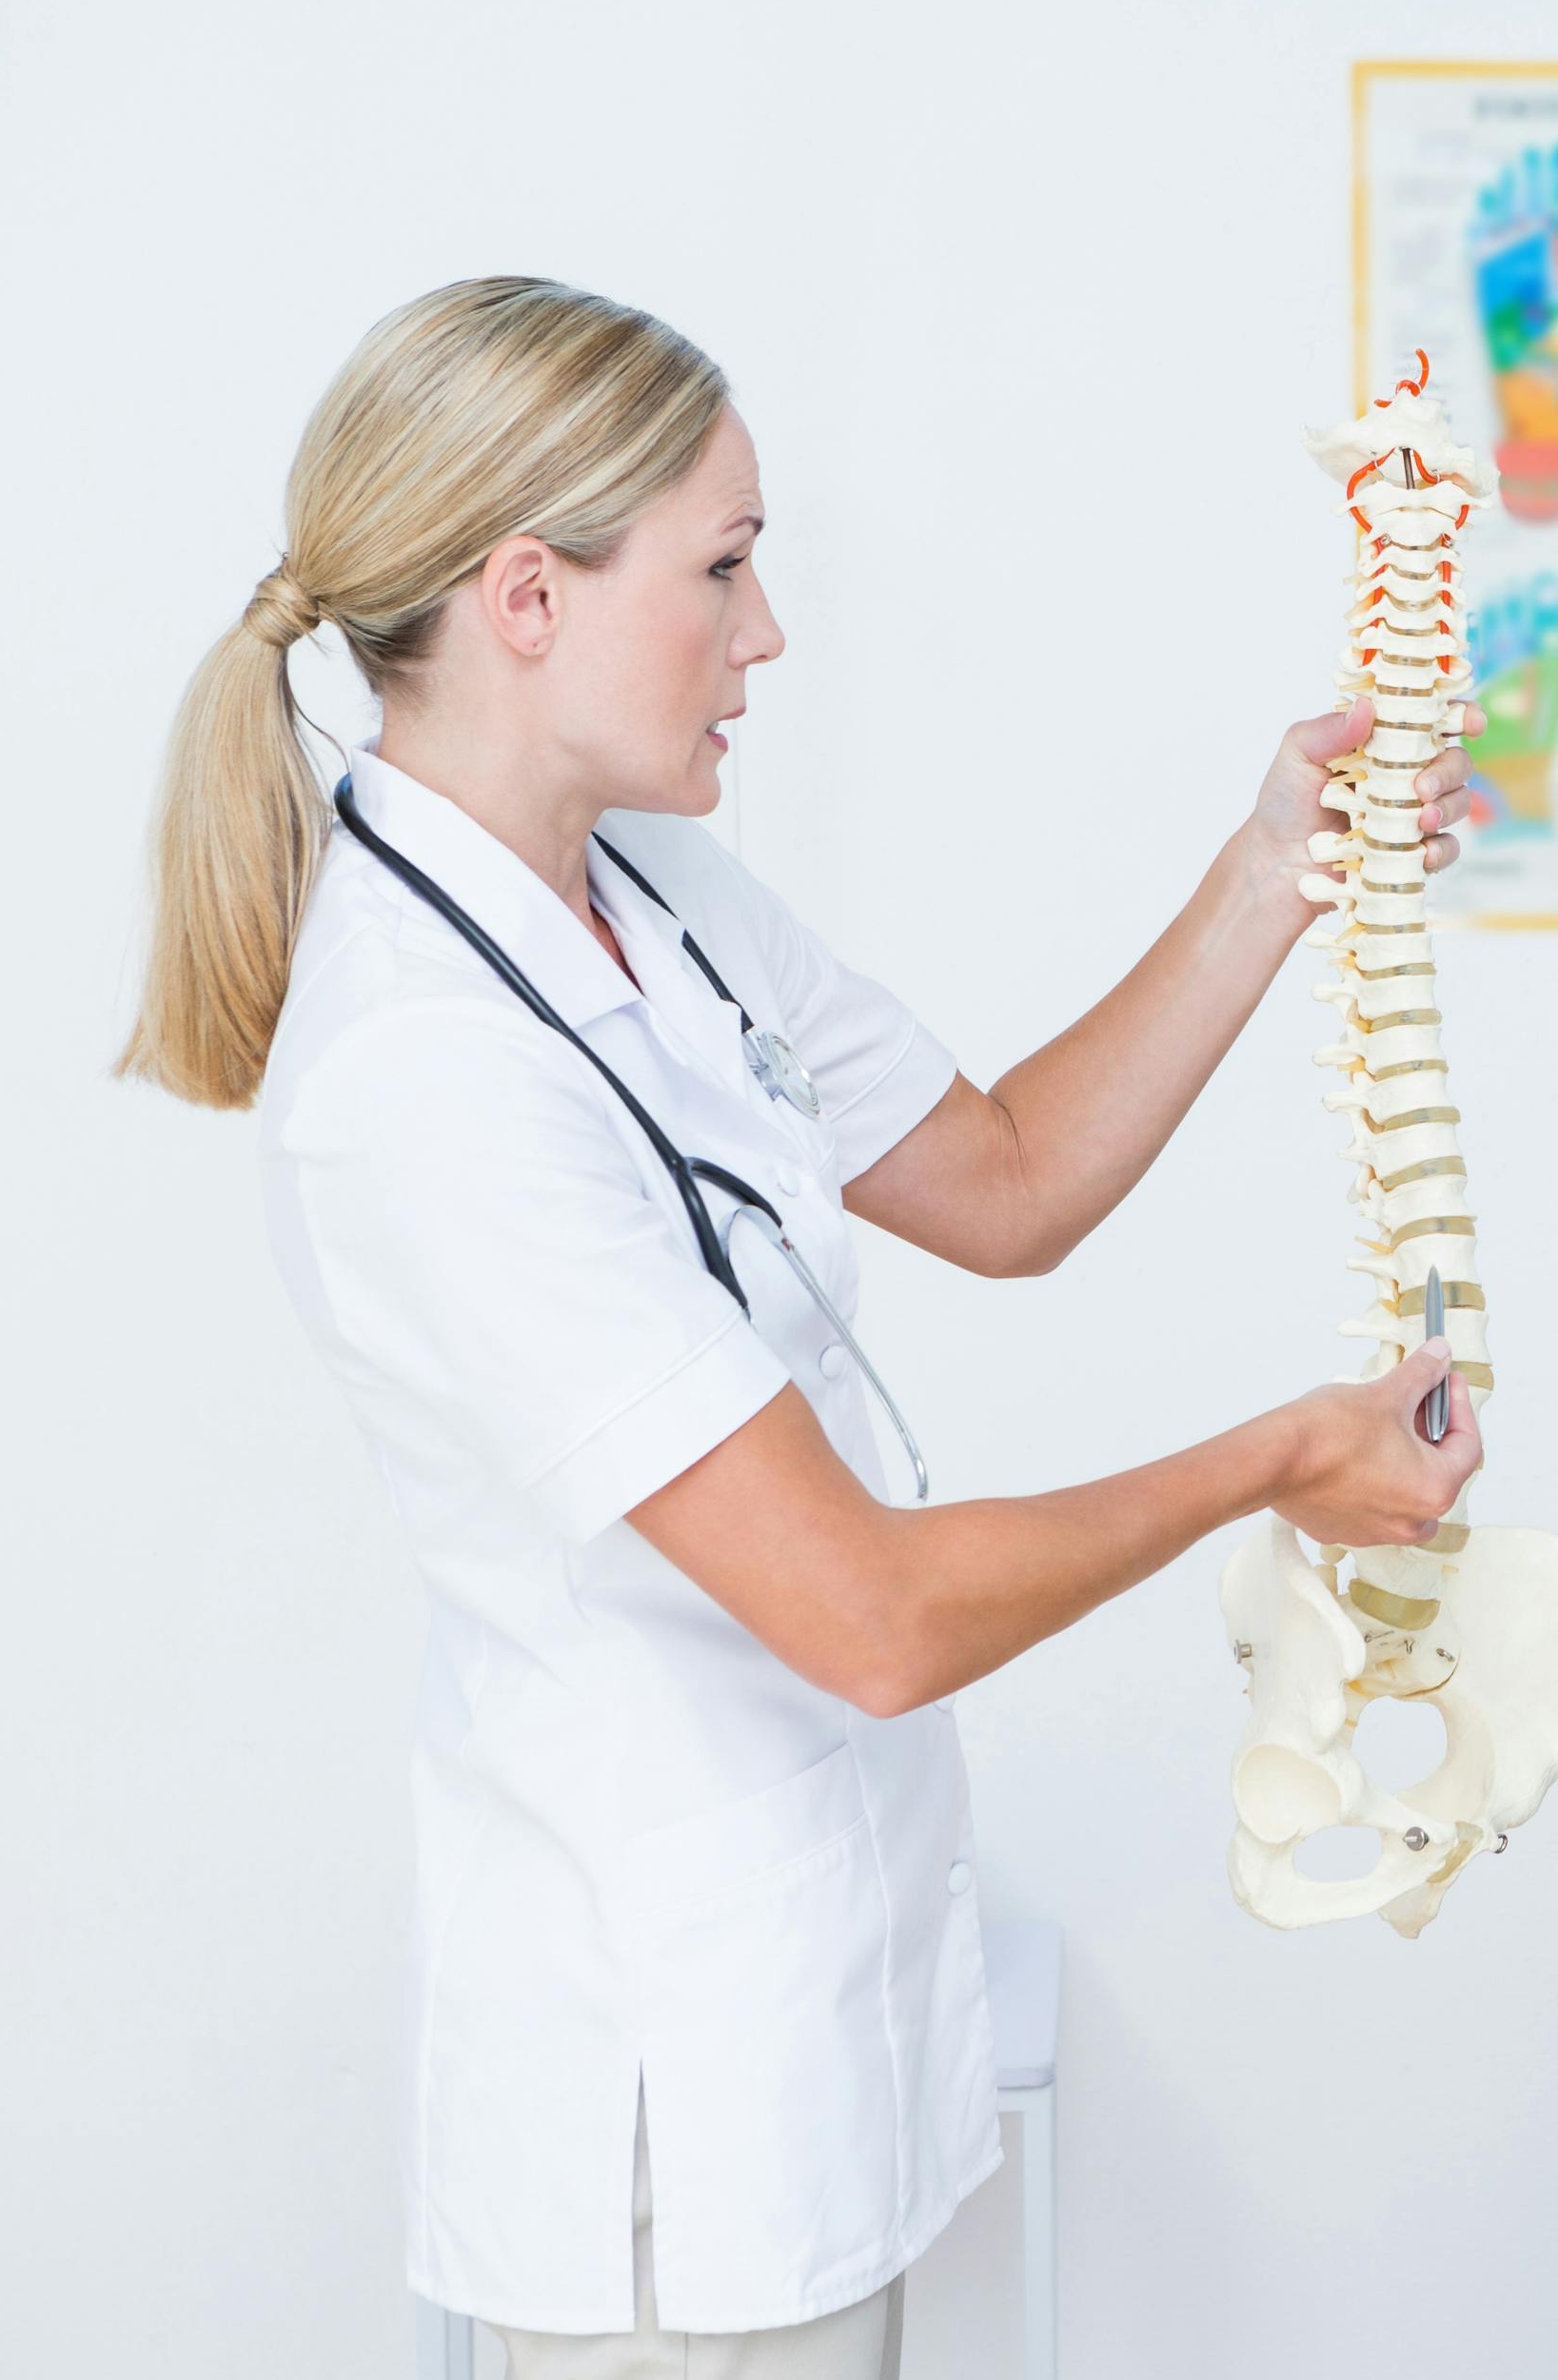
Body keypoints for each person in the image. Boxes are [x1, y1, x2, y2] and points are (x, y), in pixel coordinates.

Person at [119, 277, 1483, 2377]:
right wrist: (1284, 1457)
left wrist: (1283, 860)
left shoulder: (646, 890)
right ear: (525, 595)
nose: (770, 637)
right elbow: (868, 1612)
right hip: (658, 2085)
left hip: (802, 1994)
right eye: (727, 568)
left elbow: (1013, 1179)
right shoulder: (425, 1075)